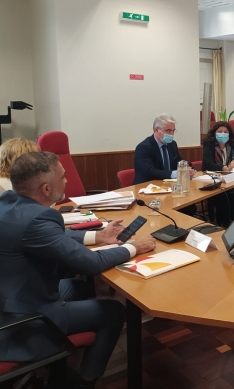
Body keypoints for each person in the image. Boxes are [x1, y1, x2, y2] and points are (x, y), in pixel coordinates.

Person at [0, 152, 156, 388]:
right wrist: (133, 248)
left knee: (77, 286)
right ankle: (84, 380)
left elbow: (52, 236)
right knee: (114, 311)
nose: (67, 180)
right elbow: (90, 264)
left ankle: (64, 363)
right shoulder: (39, 218)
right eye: (62, 177)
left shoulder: (8, 204)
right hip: (23, 323)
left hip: (12, 298)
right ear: (46, 189)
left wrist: (99, 236)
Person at [134, 113, 196, 215]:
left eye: (173, 131)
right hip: (148, 191)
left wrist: (188, 167)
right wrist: (177, 173)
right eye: (168, 131)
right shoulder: (144, 147)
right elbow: (150, 171)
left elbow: (179, 161)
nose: (171, 134)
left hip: (167, 188)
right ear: (156, 130)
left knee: (189, 207)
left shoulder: (172, 144)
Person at [202, 121, 234, 226]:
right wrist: (225, 168)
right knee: (225, 195)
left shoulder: (232, 144)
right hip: (214, 181)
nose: (223, 134)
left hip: (231, 180)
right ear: (214, 133)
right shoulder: (209, 144)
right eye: (220, 131)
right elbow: (208, 164)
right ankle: (224, 223)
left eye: (225, 132)